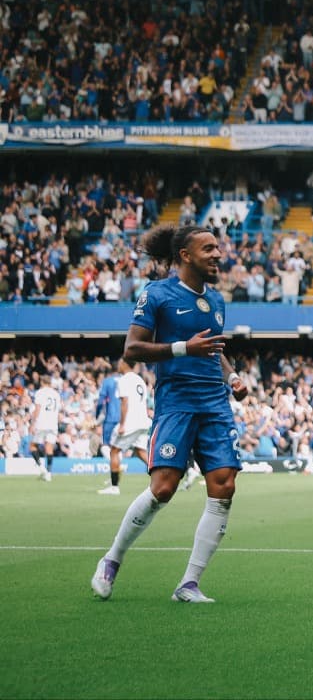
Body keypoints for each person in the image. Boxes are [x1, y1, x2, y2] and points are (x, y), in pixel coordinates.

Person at [90, 224, 249, 604]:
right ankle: (112, 560)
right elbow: (133, 349)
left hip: (214, 402)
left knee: (224, 486)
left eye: (217, 247)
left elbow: (211, 348)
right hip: (176, 401)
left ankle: (189, 584)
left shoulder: (217, 300)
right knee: (163, 488)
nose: (217, 254)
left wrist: (233, 376)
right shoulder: (157, 294)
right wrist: (182, 349)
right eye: (208, 248)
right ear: (185, 256)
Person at [98, 357, 152, 495]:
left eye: (120, 362)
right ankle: (161, 475)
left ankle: (114, 487)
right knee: (141, 452)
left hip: (131, 422)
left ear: (125, 364)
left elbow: (125, 403)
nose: (119, 364)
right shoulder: (139, 379)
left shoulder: (124, 380)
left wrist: (122, 425)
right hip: (143, 421)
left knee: (114, 451)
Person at [30, 377, 63, 482]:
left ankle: (41, 468)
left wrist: (32, 423)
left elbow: (37, 409)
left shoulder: (40, 392)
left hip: (42, 422)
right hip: (53, 423)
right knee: (49, 448)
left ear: (42, 382)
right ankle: (48, 473)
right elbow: (58, 410)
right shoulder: (56, 394)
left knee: (32, 446)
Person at [95, 365, 121, 477]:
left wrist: (97, 417)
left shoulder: (107, 381)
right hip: (123, 419)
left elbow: (101, 402)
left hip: (111, 418)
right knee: (118, 447)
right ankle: (114, 475)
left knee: (106, 446)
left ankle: (117, 467)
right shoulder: (125, 380)